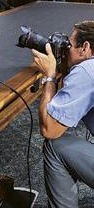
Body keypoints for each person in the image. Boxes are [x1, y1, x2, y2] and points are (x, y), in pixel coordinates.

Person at [32, 21, 94, 207]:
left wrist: (49, 76)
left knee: (55, 145)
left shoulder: (86, 71)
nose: (66, 50)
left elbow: (50, 129)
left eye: (69, 45)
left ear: (85, 48)